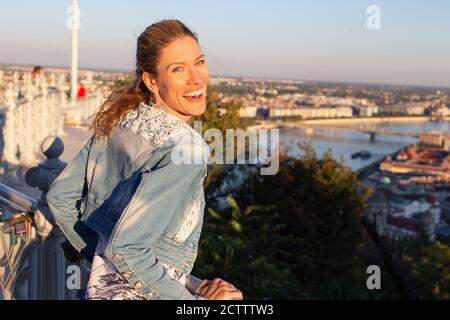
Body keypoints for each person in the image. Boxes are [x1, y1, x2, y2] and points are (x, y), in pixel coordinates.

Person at [46, 19, 243, 300]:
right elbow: (127, 249)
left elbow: (60, 196)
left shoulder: (121, 119)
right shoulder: (187, 149)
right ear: (151, 80)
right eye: (178, 69)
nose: (197, 78)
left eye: (199, 62)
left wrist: (99, 257)